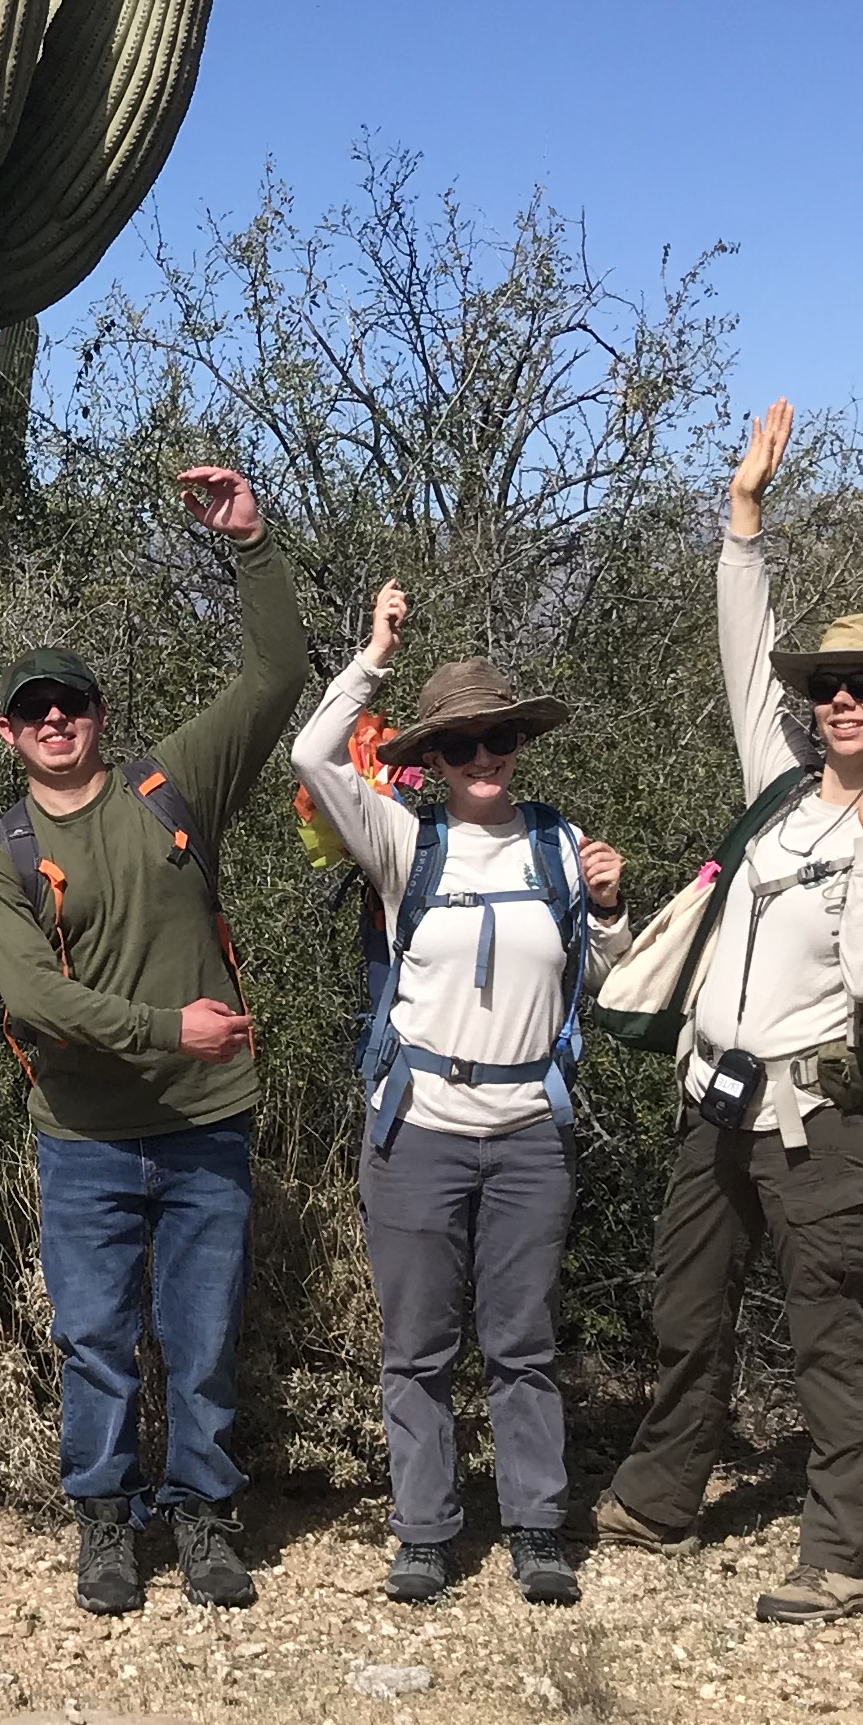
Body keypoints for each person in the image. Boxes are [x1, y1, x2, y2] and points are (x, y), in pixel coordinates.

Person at [596, 398, 863, 1625]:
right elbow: (741, 656)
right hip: (714, 1096)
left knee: (828, 1331)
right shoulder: (780, 789)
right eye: (832, 686)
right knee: (684, 1307)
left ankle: (844, 1554)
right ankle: (659, 1497)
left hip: (818, 1121)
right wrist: (743, 518)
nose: (841, 701)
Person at [0, 465, 305, 1617]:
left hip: (206, 1126)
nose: (57, 721)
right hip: (86, 1137)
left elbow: (272, 678)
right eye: (35, 711)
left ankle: (203, 1514)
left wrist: (249, 543)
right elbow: (38, 1003)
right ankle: (105, 1524)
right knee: (98, 1340)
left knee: (200, 1339)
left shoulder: (169, 788)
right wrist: (173, 1028)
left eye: (75, 704)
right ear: (9, 733)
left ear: (100, 715)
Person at [293, 588, 627, 1608]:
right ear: (432, 759)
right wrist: (374, 659)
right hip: (420, 1129)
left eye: (500, 740)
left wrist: (610, 914)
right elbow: (311, 757)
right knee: (418, 1347)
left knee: (523, 1342)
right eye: (464, 745)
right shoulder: (405, 843)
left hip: (531, 1128)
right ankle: (426, 1531)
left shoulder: (564, 850)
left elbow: (606, 980)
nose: (485, 759)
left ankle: (534, 1527)